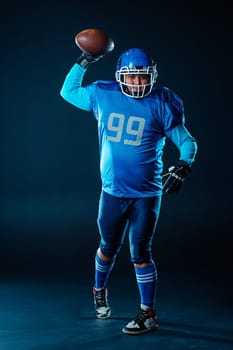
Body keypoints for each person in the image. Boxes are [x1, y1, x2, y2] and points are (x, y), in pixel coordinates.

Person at [60, 44, 198, 335]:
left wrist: (183, 165)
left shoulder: (163, 102)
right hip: (112, 192)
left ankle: (148, 313)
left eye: (143, 76)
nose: (137, 82)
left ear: (152, 75)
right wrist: (84, 60)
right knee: (108, 247)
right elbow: (68, 91)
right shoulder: (103, 93)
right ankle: (99, 289)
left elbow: (187, 141)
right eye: (132, 76)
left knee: (141, 252)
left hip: (147, 194)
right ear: (120, 75)